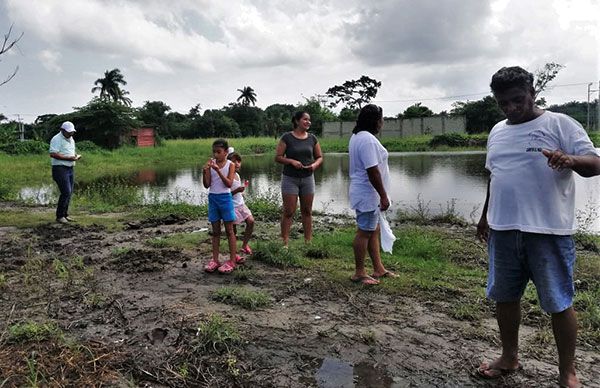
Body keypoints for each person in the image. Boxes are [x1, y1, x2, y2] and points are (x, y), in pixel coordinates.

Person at [476, 66, 600, 387]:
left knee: (559, 302)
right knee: (505, 297)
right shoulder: (497, 131)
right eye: (504, 103)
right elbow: (495, 175)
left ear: (533, 92)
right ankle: (509, 356)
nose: (511, 108)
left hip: (548, 232)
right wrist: (485, 216)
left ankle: (567, 372)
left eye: (518, 100)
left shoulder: (560, 124)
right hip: (503, 230)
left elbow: (595, 164)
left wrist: (570, 160)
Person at [348, 104, 398, 285]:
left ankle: (378, 268)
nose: (382, 123)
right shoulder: (367, 140)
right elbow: (373, 171)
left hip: (366, 192)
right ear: (375, 121)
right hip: (367, 193)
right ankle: (359, 272)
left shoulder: (358, 137)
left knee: (373, 230)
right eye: (381, 120)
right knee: (364, 232)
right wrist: (383, 196)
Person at [275, 111, 323, 246]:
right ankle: (284, 242)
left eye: (309, 120)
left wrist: (314, 166)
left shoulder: (312, 138)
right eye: (305, 119)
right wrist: (291, 161)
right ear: (296, 121)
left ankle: (308, 242)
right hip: (290, 178)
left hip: (308, 178)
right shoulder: (287, 137)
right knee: (289, 211)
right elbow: (278, 157)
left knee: (307, 211)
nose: (308, 122)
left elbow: (319, 157)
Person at [202, 139, 243, 274]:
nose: (216, 155)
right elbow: (207, 185)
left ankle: (232, 260)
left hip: (225, 199)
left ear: (226, 152)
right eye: (214, 152)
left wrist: (218, 171)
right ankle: (215, 259)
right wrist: (205, 171)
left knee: (230, 230)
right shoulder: (211, 164)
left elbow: (229, 184)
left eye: (218, 152)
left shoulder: (230, 165)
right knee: (215, 231)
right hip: (213, 198)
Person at [49, 121, 81, 224]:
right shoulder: (56, 139)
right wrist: (69, 158)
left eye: (72, 132)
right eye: (68, 132)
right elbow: (53, 154)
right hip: (60, 169)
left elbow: (69, 151)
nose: (71, 134)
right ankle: (59, 216)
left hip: (70, 168)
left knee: (69, 192)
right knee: (66, 192)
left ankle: (65, 215)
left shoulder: (70, 138)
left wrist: (74, 156)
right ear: (62, 130)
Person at [228, 151, 255, 256]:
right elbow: (224, 195)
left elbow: (237, 191)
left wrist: (241, 192)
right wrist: (237, 191)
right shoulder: (227, 177)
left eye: (239, 161)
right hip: (231, 205)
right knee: (232, 230)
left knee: (251, 221)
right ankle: (234, 253)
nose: (237, 164)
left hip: (240, 204)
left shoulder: (237, 176)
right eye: (234, 161)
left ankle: (244, 245)